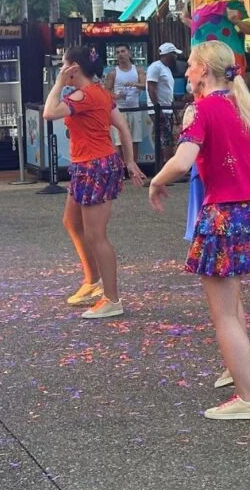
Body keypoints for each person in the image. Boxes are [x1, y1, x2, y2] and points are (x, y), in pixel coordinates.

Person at [148, 40, 250, 420]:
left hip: (222, 216)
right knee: (233, 304)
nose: (185, 72)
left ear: (204, 69)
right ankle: (241, 368)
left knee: (225, 314)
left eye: (190, 66)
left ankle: (248, 399)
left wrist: (156, 181)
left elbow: (183, 163)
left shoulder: (199, 111)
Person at [42, 45, 147, 319]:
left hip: (93, 167)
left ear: (73, 69)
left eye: (64, 65)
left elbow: (49, 113)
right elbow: (122, 127)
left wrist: (57, 83)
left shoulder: (82, 95)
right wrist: (129, 161)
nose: (62, 69)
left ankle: (112, 298)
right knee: (72, 222)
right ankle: (93, 281)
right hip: (91, 165)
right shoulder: (100, 93)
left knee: (96, 235)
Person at [104, 43, 146, 162]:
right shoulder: (113, 73)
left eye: (123, 51)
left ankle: (134, 169)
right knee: (119, 141)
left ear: (129, 53)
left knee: (135, 140)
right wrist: (116, 96)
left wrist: (135, 84)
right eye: (118, 52)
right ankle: (121, 171)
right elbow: (105, 92)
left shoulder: (138, 70)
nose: (120, 55)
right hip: (119, 111)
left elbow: (145, 85)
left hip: (135, 109)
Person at [146, 42, 181, 164]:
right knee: (165, 139)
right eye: (174, 54)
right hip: (160, 109)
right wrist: (157, 108)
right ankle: (166, 167)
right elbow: (151, 88)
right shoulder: (155, 67)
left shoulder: (166, 69)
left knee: (167, 139)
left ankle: (166, 167)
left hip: (167, 108)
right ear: (168, 55)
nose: (176, 57)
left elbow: (168, 92)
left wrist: (174, 111)